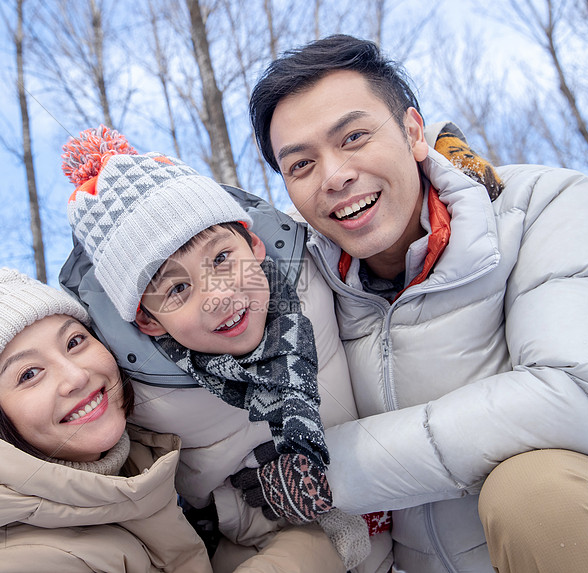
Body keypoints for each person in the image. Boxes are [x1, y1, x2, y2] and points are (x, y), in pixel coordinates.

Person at [241, 33, 588, 572]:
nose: (335, 176)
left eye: (355, 137)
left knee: (535, 493)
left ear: (414, 132)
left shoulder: (539, 207)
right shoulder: (303, 284)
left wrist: (327, 471)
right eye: (300, 166)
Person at [59, 126, 392, 572]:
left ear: (254, 244)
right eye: (177, 289)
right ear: (148, 321)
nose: (218, 295)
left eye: (221, 259)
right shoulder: (144, 394)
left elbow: (364, 196)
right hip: (267, 549)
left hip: (401, 521)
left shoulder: (313, 269)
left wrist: (438, 153)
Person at [0, 260, 212, 572]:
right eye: (29, 374)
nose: (75, 376)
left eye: (74, 342)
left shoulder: (144, 457)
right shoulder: (9, 563)